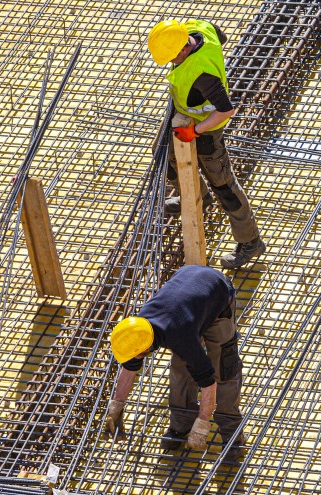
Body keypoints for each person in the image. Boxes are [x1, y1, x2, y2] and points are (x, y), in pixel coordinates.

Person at [147, 18, 266, 270]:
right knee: (165, 155)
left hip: (208, 129)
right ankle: (196, 196)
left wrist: (195, 131)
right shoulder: (199, 28)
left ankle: (251, 242)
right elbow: (221, 38)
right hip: (185, 116)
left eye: (172, 57)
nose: (170, 62)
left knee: (223, 185)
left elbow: (226, 111)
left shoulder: (203, 75)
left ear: (184, 48)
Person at [104, 265, 244, 452]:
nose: (134, 359)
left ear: (146, 347)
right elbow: (129, 368)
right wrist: (116, 405)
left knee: (223, 366)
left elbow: (208, 383)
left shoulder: (180, 337)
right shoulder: (137, 330)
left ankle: (231, 433)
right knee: (180, 371)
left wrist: (202, 425)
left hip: (218, 296)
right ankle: (181, 425)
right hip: (187, 299)